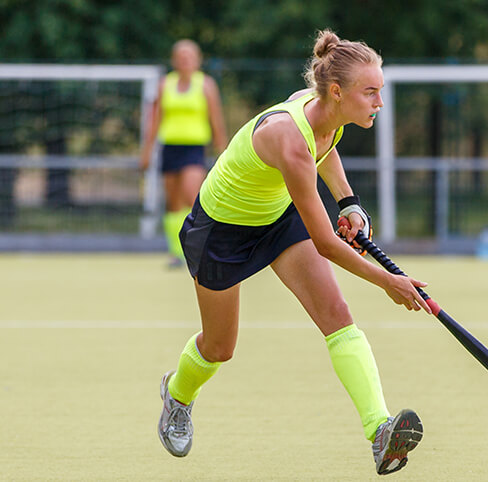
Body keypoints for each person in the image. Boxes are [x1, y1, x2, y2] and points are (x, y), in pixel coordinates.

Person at [157, 30, 429, 476]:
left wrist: (349, 203)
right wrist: (390, 282)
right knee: (220, 347)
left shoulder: (329, 110)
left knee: (336, 314)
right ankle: (178, 394)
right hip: (221, 232)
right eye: (372, 92)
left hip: (277, 218)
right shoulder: (288, 136)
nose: (380, 101)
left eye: (380, 90)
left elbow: (327, 148)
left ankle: (379, 430)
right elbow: (326, 241)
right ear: (338, 92)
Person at [140, 39, 228, 268]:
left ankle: (200, 248)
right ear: (174, 61)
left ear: (197, 60)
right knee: (173, 203)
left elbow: (216, 120)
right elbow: (155, 120)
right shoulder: (164, 85)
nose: (185, 61)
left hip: (194, 150)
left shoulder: (206, 85)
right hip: (170, 149)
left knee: (193, 197)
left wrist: (223, 152)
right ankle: (176, 253)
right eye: (180, 57)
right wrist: (147, 152)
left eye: (189, 57)